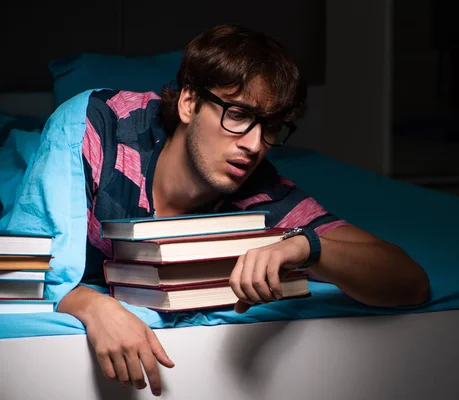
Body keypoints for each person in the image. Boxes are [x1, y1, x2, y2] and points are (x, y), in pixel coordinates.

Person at [47, 24, 430, 396]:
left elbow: (410, 282)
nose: (254, 144)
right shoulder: (95, 128)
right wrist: (92, 305)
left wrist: (307, 246)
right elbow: (23, 268)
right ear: (189, 102)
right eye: (239, 115)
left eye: (271, 127)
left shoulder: (264, 191)